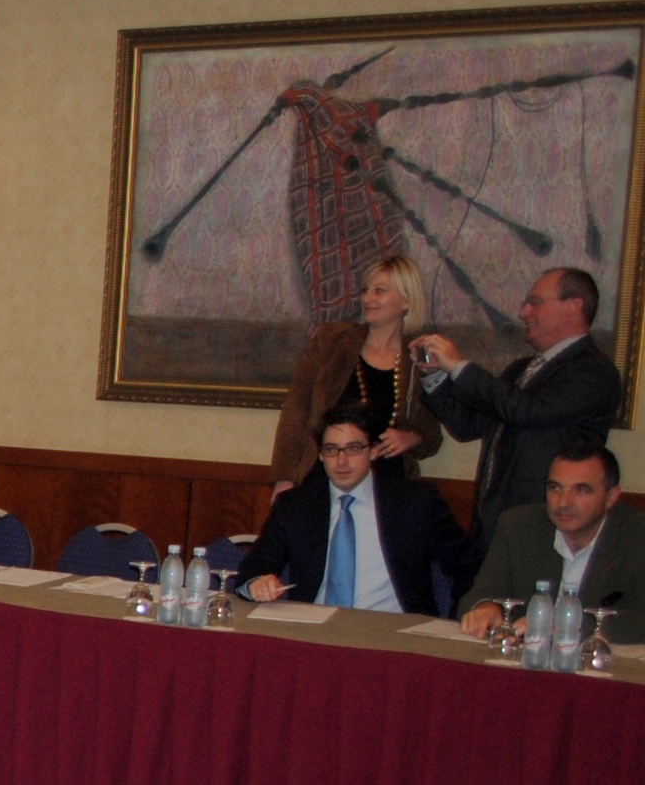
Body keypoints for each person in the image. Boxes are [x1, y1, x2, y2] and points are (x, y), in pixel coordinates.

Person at [414, 267, 627, 539]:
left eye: (535, 302)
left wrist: (459, 365)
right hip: (492, 526)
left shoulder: (593, 371)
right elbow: (469, 426)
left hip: (545, 530)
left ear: (574, 306)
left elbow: (525, 410)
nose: (523, 312)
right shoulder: (520, 369)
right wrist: (434, 376)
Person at [239, 403, 475, 614]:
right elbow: (255, 566)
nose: (341, 461)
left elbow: (469, 567)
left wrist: (463, 616)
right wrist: (257, 583)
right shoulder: (295, 506)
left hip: (393, 630)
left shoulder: (415, 502)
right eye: (331, 450)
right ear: (320, 455)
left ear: (372, 451)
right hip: (314, 628)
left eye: (353, 448)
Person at [269, 253, 443, 496]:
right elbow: (295, 414)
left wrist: (411, 439)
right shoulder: (331, 342)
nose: (367, 298)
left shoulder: (418, 359)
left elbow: (432, 437)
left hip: (387, 488)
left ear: (406, 301)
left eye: (379, 291)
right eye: (365, 290)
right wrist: (284, 479)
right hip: (322, 480)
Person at [460, 441, 645, 644]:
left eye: (581, 490)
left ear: (610, 497)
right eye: (555, 488)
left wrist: (568, 626)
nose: (563, 502)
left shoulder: (636, 536)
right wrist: (486, 607)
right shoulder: (519, 526)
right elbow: (479, 594)